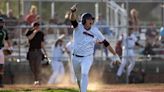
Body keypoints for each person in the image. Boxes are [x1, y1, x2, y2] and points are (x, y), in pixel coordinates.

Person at [69, 4, 120, 92]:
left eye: (92, 19)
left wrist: (115, 55)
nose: (91, 20)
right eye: (89, 19)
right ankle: (81, 89)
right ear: (84, 20)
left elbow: (106, 43)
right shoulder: (78, 27)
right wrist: (72, 12)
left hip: (87, 57)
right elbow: (72, 19)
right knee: (78, 78)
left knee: (84, 74)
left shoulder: (95, 30)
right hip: (75, 57)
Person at [26, 21, 45, 86]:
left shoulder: (41, 33)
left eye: (38, 26)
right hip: (31, 51)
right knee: (32, 67)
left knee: (38, 66)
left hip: (38, 51)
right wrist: (34, 32)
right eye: (35, 26)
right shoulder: (29, 32)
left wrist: (45, 53)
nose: (37, 27)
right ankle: (35, 80)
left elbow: (42, 44)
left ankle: (39, 81)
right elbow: (29, 38)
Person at [0, 17, 12, 87]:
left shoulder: (4, 31)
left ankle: (0, 82)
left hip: (1, 49)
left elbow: (7, 39)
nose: (1, 24)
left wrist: (10, 47)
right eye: (0, 22)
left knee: (1, 67)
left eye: (2, 22)